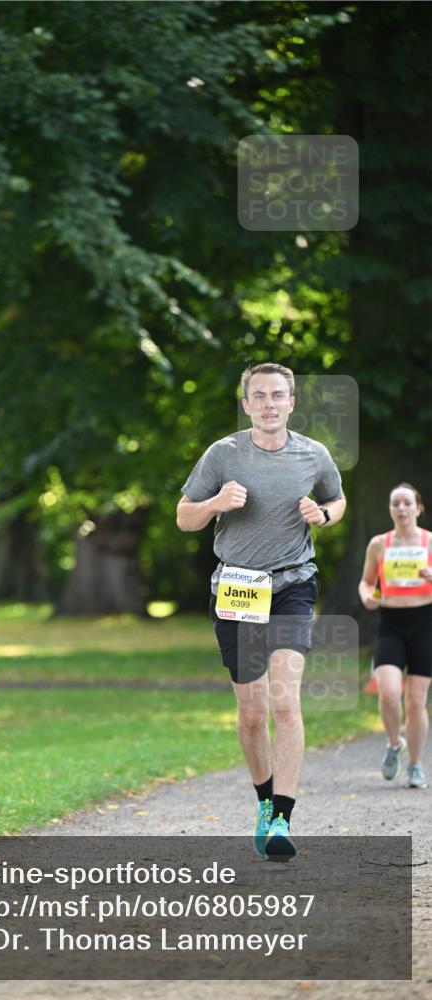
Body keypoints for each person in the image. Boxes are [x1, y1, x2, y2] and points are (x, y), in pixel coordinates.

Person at [177, 363, 346, 860]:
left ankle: (281, 820)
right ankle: (263, 800)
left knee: (286, 704)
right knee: (252, 714)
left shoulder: (313, 454)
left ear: (291, 403)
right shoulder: (222, 454)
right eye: (259, 396)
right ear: (246, 404)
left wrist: (325, 514)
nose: (269, 403)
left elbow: (338, 500)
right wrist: (215, 502)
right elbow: (184, 517)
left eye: (278, 395)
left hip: (293, 585)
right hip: (238, 589)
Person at [358, 483, 432, 788]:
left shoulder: (430, 542)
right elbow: (366, 582)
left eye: (406, 503)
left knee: (416, 700)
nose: (401, 509)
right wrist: (367, 597)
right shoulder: (379, 544)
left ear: (418, 508)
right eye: (395, 504)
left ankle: (415, 765)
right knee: (389, 693)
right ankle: (393, 743)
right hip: (390, 624)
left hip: (424, 624)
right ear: (390, 509)